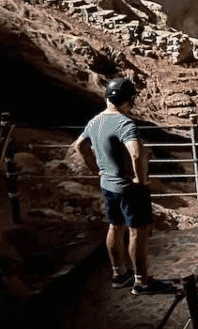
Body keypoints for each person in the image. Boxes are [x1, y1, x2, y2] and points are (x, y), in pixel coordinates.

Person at [73, 77, 175, 295]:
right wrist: (141, 180)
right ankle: (142, 282)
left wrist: (94, 168)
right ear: (130, 100)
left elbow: (80, 145)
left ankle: (119, 274)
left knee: (115, 226)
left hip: (107, 185)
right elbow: (136, 153)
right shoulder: (124, 123)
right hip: (129, 188)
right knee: (137, 233)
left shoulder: (95, 121)